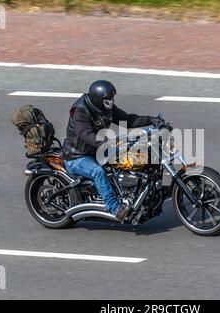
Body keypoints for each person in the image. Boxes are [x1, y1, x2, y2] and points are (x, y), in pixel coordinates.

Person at [62, 80, 158, 223]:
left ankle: (132, 194)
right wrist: (104, 142)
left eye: (112, 98)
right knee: (97, 171)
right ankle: (116, 209)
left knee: (129, 156)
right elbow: (85, 134)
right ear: (97, 99)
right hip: (77, 156)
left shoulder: (105, 108)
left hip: (96, 150)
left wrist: (152, 119)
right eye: (107, 99)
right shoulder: (80, 111)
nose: (111, 101)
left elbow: (128, 120)